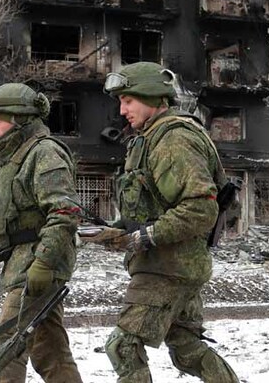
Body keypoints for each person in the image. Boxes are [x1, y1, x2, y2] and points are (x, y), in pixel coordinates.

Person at [102, 62, 239, 383]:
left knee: (123, 346)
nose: (122, 110)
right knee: (187, 347)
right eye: (120, 101)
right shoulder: (149, 138)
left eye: (128, 100)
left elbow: (199, 209)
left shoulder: (173, 139)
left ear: (151, 96)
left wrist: (143, 238)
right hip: (174, 264)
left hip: (168, 268)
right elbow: (154, 207)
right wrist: (117, 230)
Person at [0, 83, 83, 383]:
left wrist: (44, 263)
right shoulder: (14, 159)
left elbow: (64, 212)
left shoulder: (45, 153)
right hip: (24, 262)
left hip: (37, 263)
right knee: (49, 351)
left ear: (20, 118)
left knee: (4, 350)